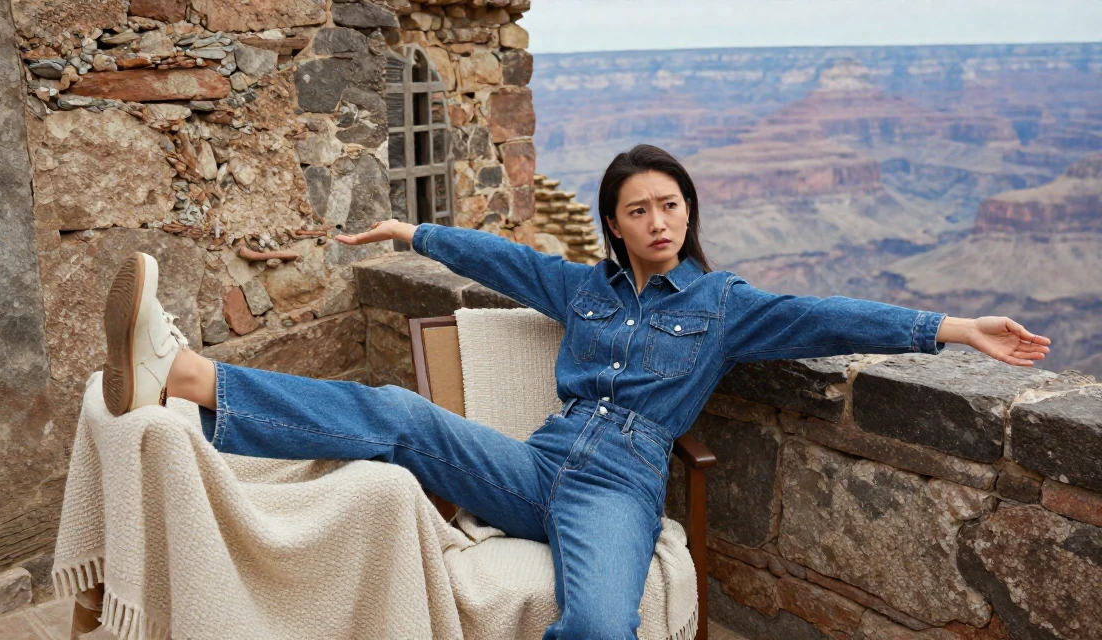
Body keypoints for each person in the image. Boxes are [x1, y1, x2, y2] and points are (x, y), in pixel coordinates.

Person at [99, 144, 1051, 639]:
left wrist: (958, 329)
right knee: (394, 412)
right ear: (614, 225)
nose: (659, 221)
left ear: (689, 211)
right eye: (639, 210)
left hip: (618, 487)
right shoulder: (582, 288)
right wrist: (409, 235)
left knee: (600, 623)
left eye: (671, 205)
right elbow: (505, 258)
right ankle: (181, 375)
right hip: (532, 463)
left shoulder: (722, 305)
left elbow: (831, 316)